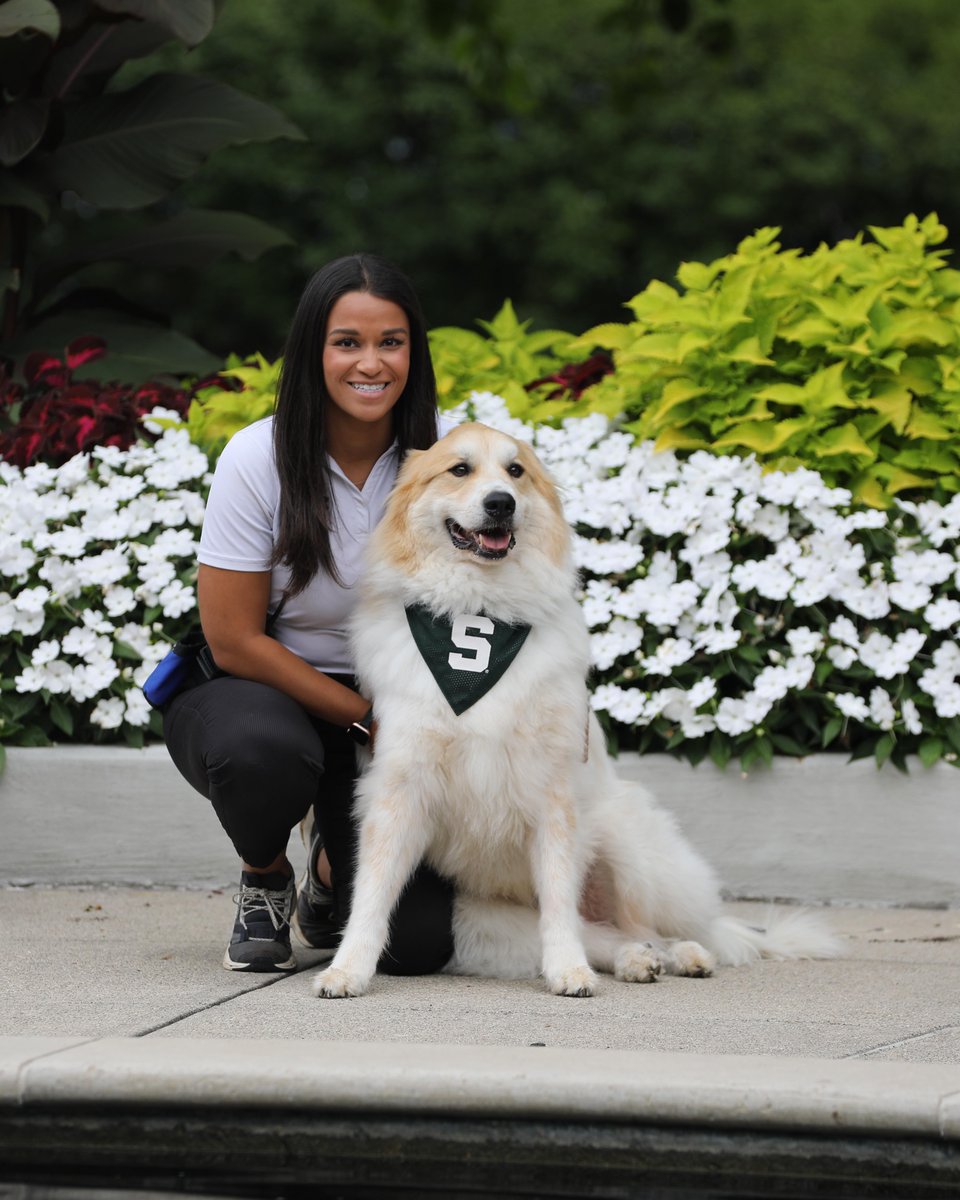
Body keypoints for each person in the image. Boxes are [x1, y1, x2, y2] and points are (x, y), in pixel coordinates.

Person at [163, 254, 456, 974]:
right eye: (347, 342)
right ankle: (265, 875)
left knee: (415, 948)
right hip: (265, 692)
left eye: (391, 342)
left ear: (413, 353)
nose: (372, 363)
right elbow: (232, 639)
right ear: (312, 353)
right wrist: (363, 716)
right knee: (257, 753)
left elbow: (491, 603)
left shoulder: (446, 456)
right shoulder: (257, 457)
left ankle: (330, 872)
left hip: (394, 700)